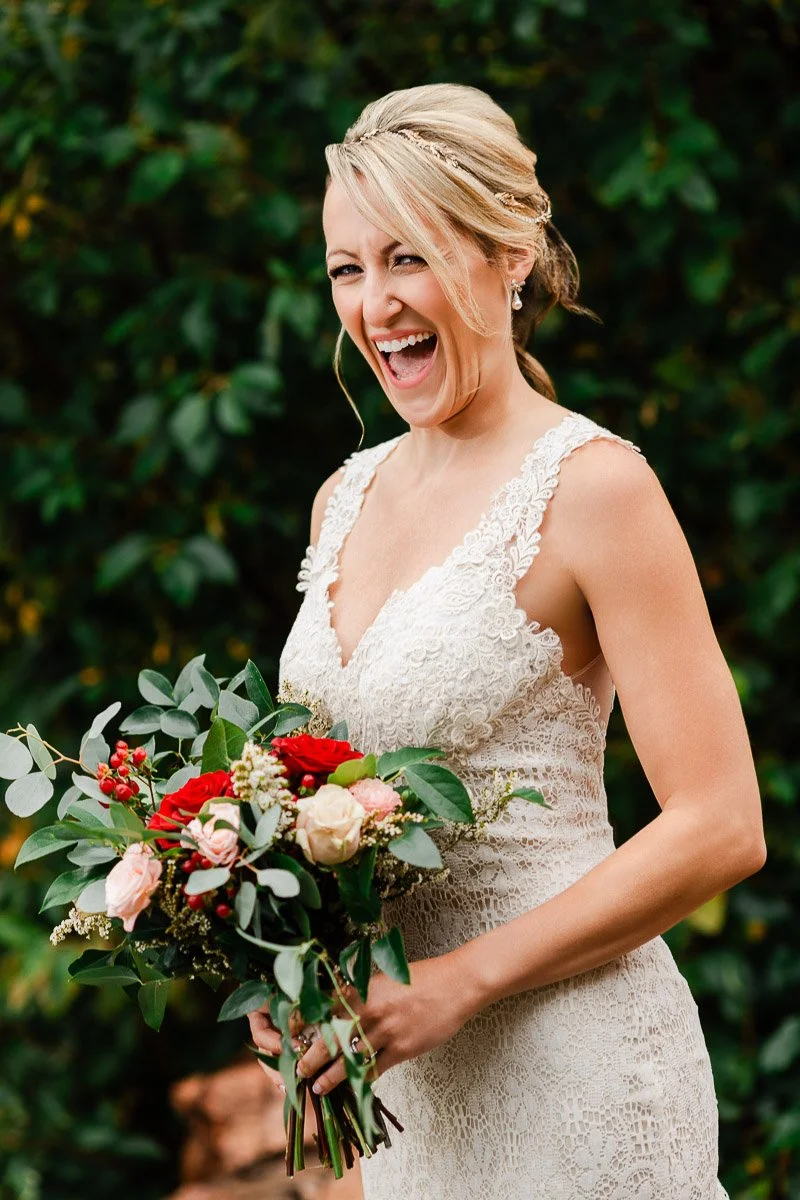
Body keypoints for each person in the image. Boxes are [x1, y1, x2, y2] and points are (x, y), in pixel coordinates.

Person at [249, 82, 765, 1199]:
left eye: (409, 258)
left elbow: (721, 825)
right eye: (347, 268)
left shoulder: (594, 489)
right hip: (408, 1104)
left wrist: (457, 982)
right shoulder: (342, 497)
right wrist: (288, 969)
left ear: (509, 256)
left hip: (576, 1073)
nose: (375, 304)